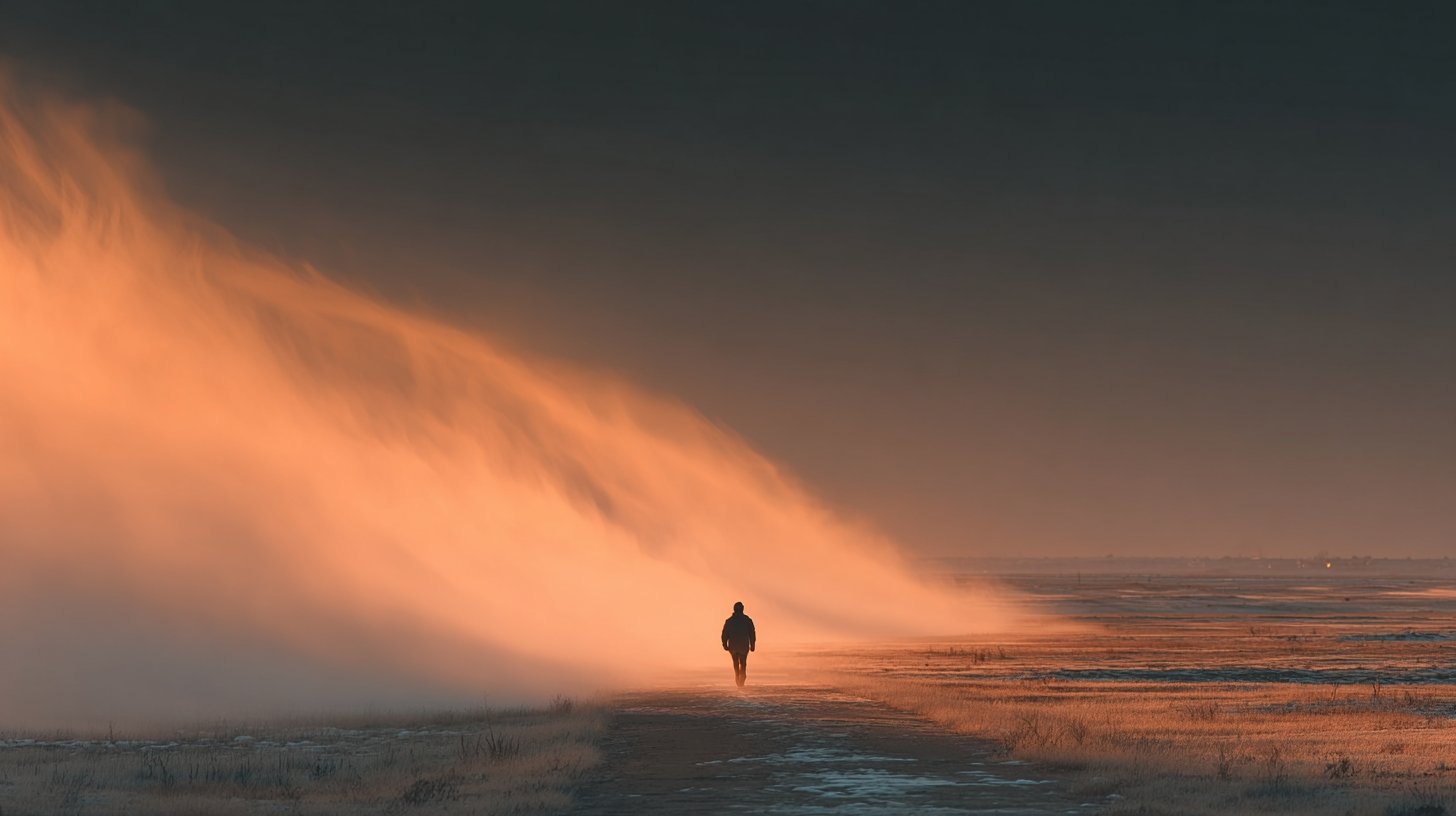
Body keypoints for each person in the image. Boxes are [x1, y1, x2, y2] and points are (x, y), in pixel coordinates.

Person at [720, 601, 756, 687]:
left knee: (736, 663)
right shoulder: (747, 620)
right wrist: (752, 645)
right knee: (743, 664)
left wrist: (725, 644)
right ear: (742, 609)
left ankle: (737, 678)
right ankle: (741, 682)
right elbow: (752, 633)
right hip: (743, 646)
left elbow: (724, 634)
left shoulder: (729, 621)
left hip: (733, 646)